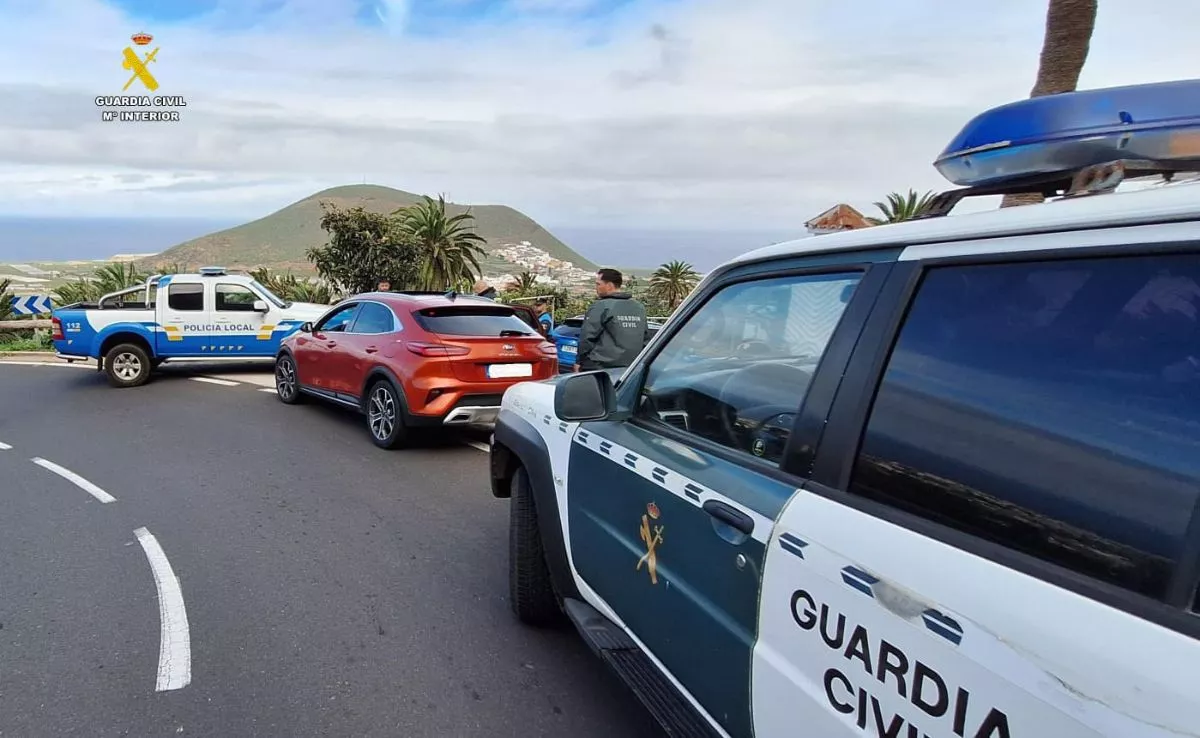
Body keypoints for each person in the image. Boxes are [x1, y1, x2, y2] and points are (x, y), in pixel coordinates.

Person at [576, 268, 651, 372]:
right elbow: (646, 338)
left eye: (598, 284)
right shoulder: (639, 308)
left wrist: (580, 362)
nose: (596, 288)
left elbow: (587, 338)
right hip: (630, 368)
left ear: (609, 285)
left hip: (600, 366)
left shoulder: (601, 306)